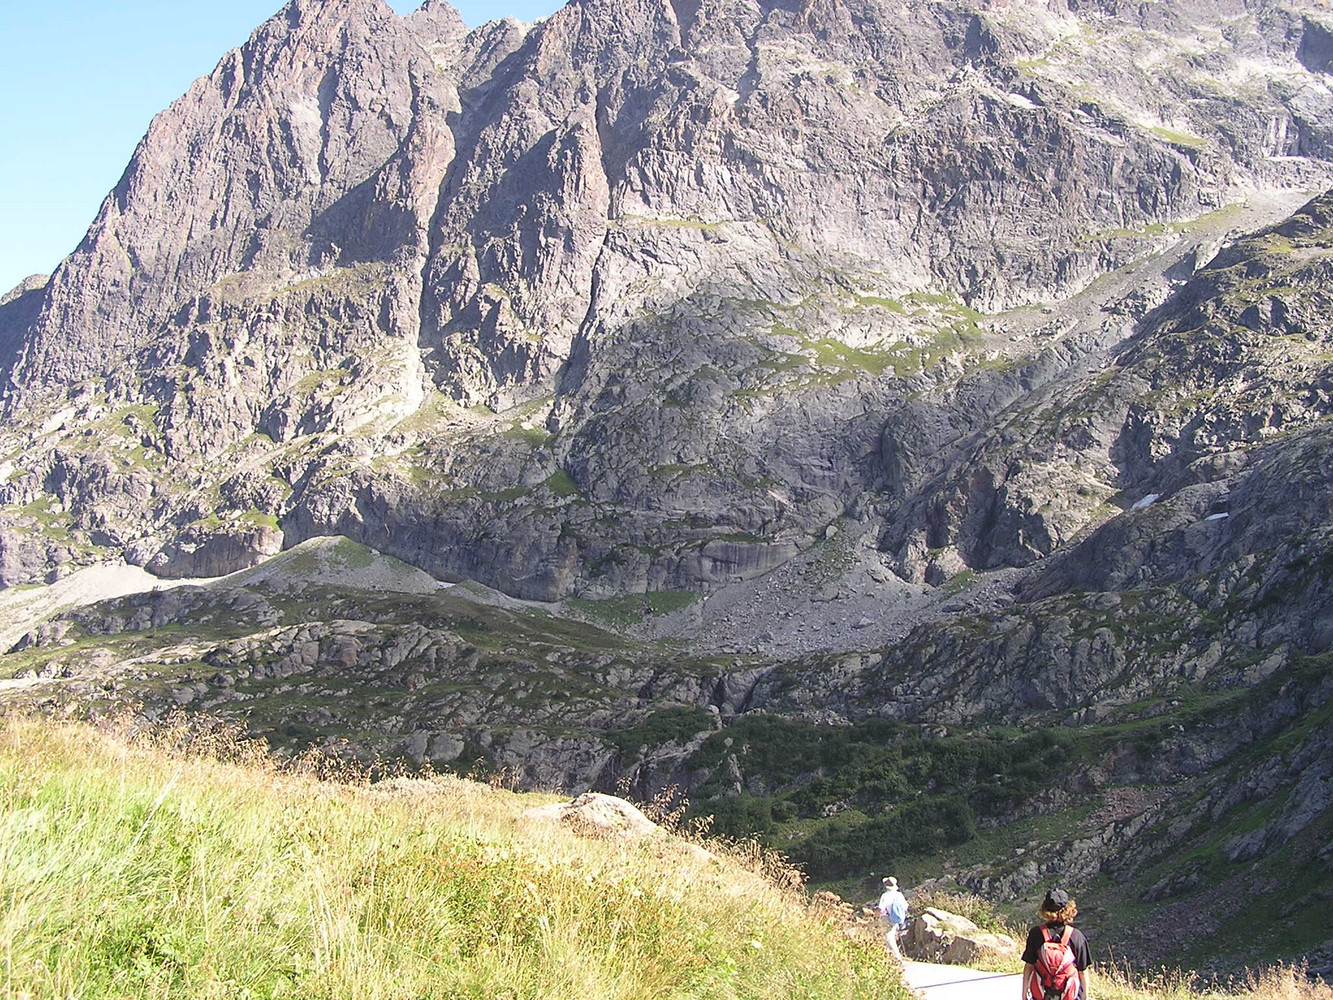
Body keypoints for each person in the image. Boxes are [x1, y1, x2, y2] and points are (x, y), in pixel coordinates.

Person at [1022, 889, 1091, 1000]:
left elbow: (1029, 966)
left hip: (1042, 993)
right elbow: (1082, 971)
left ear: (1045, 910)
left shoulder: (1036, 933)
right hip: (1068, 995)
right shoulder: (1076, 936)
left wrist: (1024, 992)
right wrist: (1085, 996)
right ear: (1068, 910)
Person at [877, 876, 909, 962]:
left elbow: (881, 909)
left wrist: (875, 916)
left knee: (888, 937)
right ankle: (890, 956)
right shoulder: (899, 895)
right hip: (896, 918)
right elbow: (905, 907)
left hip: (886, 917)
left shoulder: (885, 895)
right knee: (891, 935)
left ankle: (896, 956)